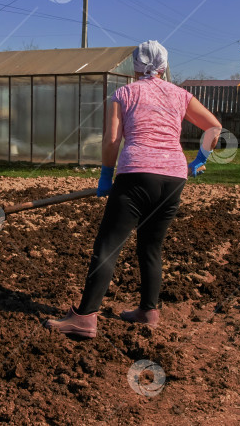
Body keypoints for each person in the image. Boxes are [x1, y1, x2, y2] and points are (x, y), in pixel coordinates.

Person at [45, 40, 222, 338]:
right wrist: (198, 160)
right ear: (165, 67)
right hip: (173, 177)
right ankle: (148, 310)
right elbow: (214, 127)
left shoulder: (123, 94)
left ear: (135, 66)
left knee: (108, 245)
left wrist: (105, 175)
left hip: (136, 173)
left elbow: (112, 140)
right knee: (151, 246)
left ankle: (85, 317)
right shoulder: (180, 95)